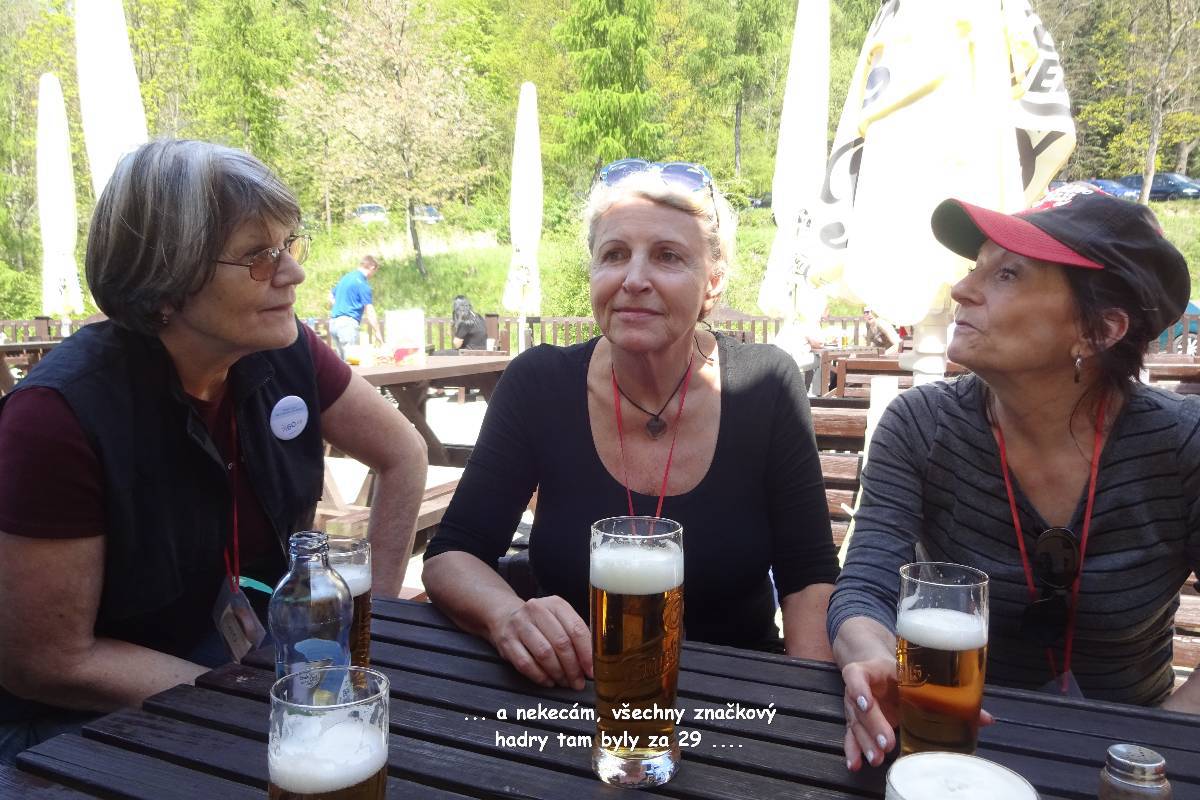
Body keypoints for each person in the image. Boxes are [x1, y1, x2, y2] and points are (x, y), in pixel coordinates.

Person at [0, 140, 428, 764]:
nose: (293, 273)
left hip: (244, 684)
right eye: (258, 256)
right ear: (164, 285)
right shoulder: (56, 418)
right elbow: (45, 662)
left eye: (288, 244)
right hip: (77, 731)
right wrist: (249, 701)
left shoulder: (285, 350)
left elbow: (403, 453)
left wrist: (369, 623)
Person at [422, 159, 839, 691]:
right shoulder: (540, 383)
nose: (634, 279)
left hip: (736, 698)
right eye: (614, 254)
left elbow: (808, 581)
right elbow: (452, 554)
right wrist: (507, 615)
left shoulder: (765, 384)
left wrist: (803, 717)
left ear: (712, 284)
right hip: (572, 694)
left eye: (668, 256)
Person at [828, 183, 1200, 772]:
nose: (961, 289)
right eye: (976, 267)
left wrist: (1148, 761)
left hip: (1128, 755)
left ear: (1100, 330)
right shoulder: (922, 424)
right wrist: (872, 658)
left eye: (1007, 275)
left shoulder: (1182, 444)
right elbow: (865, 584)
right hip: (946, 744)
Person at [329, 255, 384, 359]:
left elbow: (331, 295)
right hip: (347, 325)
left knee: (341, 363)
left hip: (334, 323)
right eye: (375, 271)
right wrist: (377, 332)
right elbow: (369, 310)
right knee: (351, 361)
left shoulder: (346, 277)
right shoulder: (362, 284)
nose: (373, 275)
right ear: (372, 267)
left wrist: (339, 307)